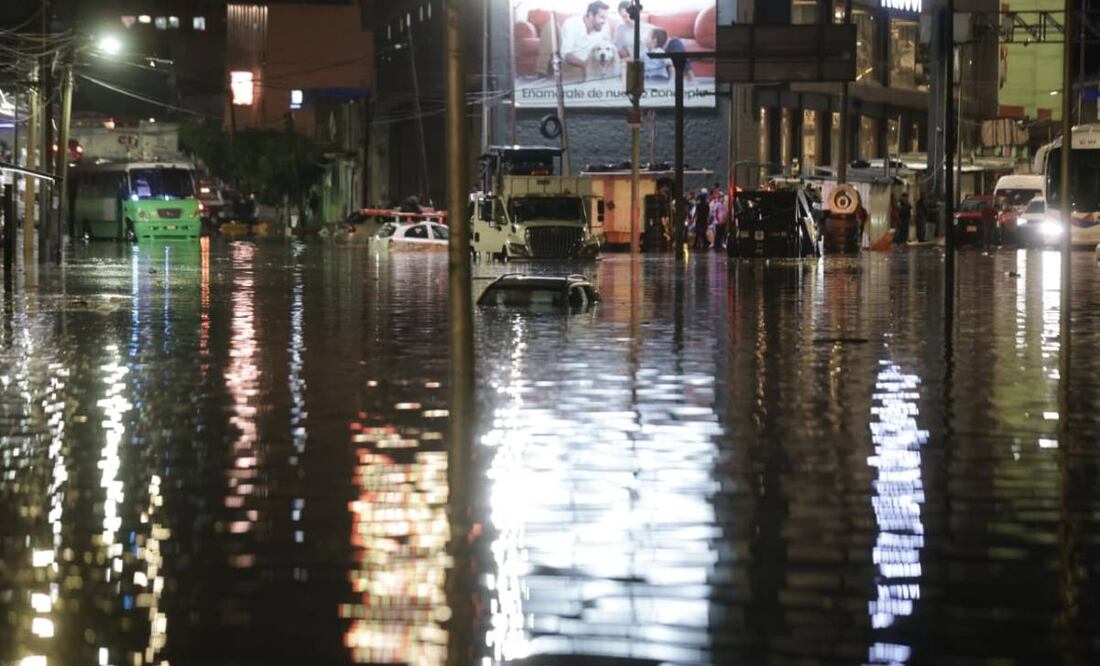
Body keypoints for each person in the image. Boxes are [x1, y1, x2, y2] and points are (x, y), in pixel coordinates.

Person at [559, 1, 612, 72]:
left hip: (596, 65)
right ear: (590, 15)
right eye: (602, 17)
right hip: (573, 65)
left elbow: (610, 50)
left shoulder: (604, 26)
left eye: (606, 18)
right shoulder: (572, 24)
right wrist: (588, 66)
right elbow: (566, 54)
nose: (604, 21)